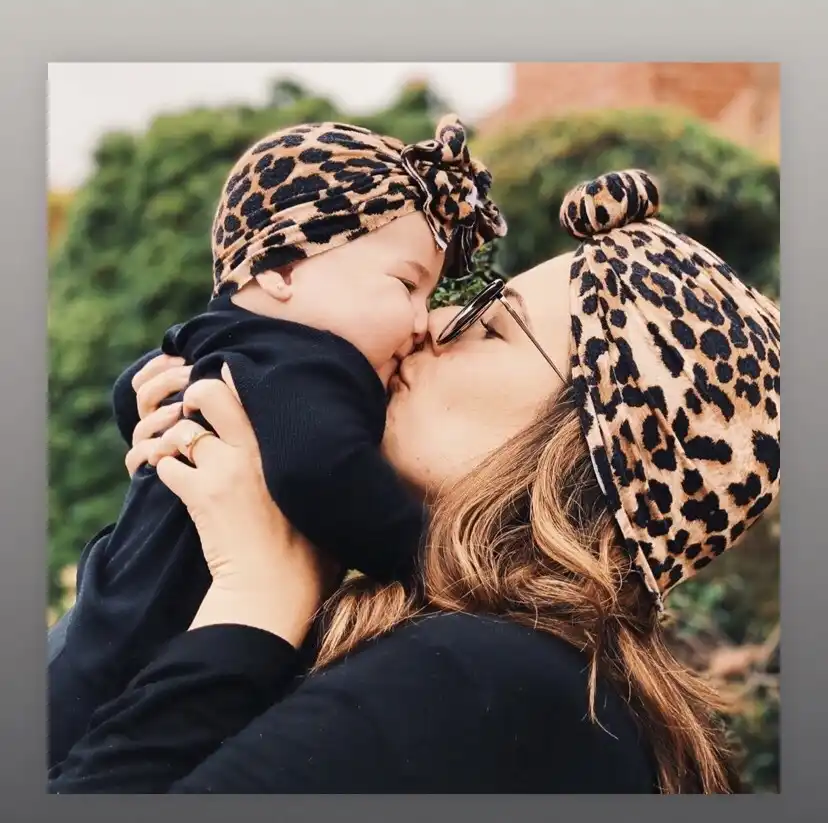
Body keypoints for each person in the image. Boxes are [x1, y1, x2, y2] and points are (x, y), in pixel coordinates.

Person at [48, 170, 780, 794]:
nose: (430, 319)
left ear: (585, 439)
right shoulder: (497, 667)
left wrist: (254, 602)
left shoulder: (490, 680)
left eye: (491, 323)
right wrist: (158, 541)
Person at [46, 115, 505, 766]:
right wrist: (432, 553)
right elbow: (321, 469)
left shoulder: (216, 338)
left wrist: (151, 427)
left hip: (96, 628)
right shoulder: (314, 362)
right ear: (283, 268)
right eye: (405, 283)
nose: (419, 318)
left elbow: (133, 385)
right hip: (142, 657)